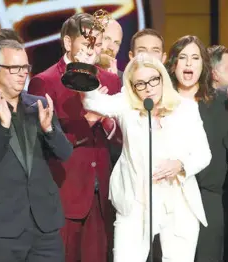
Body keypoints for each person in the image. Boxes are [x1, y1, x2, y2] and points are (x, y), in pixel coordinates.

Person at [78, 52, 211, 262]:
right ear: (132, 87)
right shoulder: (127, 105)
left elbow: (203, 154)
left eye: (153, 80)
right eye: (140, 83)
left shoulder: (186, 108)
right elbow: (94, 103)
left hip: (176, 202)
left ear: (162, 78)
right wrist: (85, 69)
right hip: (135, 201)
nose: (148, 87)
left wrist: (180, 164)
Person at [0, 39, 73, 262]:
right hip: (1, 227)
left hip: (44, 225)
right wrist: (2, 127)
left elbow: (65, 153)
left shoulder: (39, 105)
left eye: (25, 68)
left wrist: (49, 129)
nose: (22, 74)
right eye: (15, 69)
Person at [28, 12, 121, 262]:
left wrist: (108, 120)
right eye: (87, 42)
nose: (93, 49)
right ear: (68, 43)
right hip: (65, 194)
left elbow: (121, 136)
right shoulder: (44, 82)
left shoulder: (112, 82)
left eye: (97, 43)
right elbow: (42, 144)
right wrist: (87, 121)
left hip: (102, 196)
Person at [165, 35, 228, 262]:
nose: (189, 64)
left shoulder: (220, 101)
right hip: (171, 194)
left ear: (204, 66)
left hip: (209, 198)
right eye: (183, 58)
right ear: (173, 64)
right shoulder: (162, 101)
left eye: (195, 58)